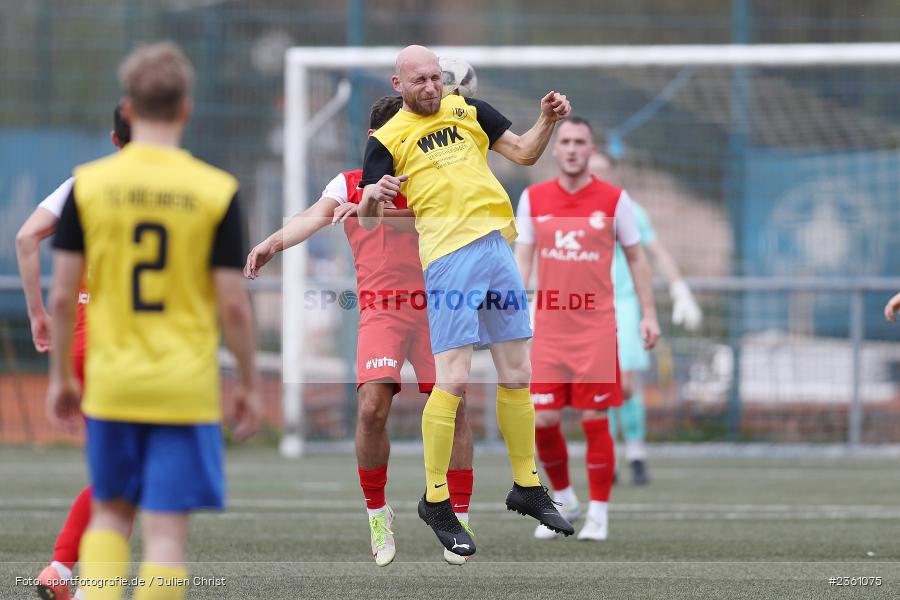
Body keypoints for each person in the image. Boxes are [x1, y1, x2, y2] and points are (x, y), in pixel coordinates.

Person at [47, 42, 260, 600]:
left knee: (112, 517)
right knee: (164, 537)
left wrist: (62, 380)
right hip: (183, 388)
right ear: (185, 108)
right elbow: (234, 304)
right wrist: (248, 382)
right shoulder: (216, 190)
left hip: (113, 381)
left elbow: (65, 294)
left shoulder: (87, 186)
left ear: (129, 107)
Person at [358, 44, 574, 558]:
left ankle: (526, 485)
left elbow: (522, 152)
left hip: (496, 247)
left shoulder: (471, 109)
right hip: (449, 258)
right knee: (453, 379)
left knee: (518, 373)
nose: (432, 87)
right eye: (420, 81)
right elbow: (367, 216)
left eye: (437, 78)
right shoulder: (386, 140)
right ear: (398, 85)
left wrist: (545, 120)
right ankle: (436, 499)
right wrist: (373, 194)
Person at [245, 95, 475, 566]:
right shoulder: (349, 183)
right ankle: (377, 512)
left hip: (437, 309)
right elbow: (314, 216)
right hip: (381, 312)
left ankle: (460, 515)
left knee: (454, 408)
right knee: (371, 407)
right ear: (376, 140)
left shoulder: (437, 179)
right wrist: (272, 242)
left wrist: (382, 212)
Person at [514, 116, 660, 541]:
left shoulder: (615, 200)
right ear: (555, 150)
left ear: (591, 150)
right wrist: (510, 310)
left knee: (596, 417)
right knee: (543, 420)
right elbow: (523, 258)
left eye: (581, 141)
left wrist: (648, 315)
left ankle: (598, 513)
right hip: (550, 330)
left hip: (596, 329)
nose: (574, 148)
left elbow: (637, 258)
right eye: (566, 141)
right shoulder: (533, 198)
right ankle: (563, 499)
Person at [17, 104, 130, 600]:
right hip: (129, 347)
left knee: (119, 470)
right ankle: (70, 574)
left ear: (112, 136)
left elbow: (26, 237)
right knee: (127, 476)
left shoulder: (85, 183)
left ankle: (65, 575)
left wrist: (38, 314)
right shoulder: (178, 187)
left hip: (81, 343)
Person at [590, 151, 703, 485]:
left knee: (625, 385)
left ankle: (636, 452)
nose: (596, 177)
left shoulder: (629, 210)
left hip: (624, 304)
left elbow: (656, 252)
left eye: (602, 171)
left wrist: (680, 289)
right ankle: (606, 456)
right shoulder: (574, 209)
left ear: (613, 174)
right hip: (587, 308)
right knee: (599, 388)